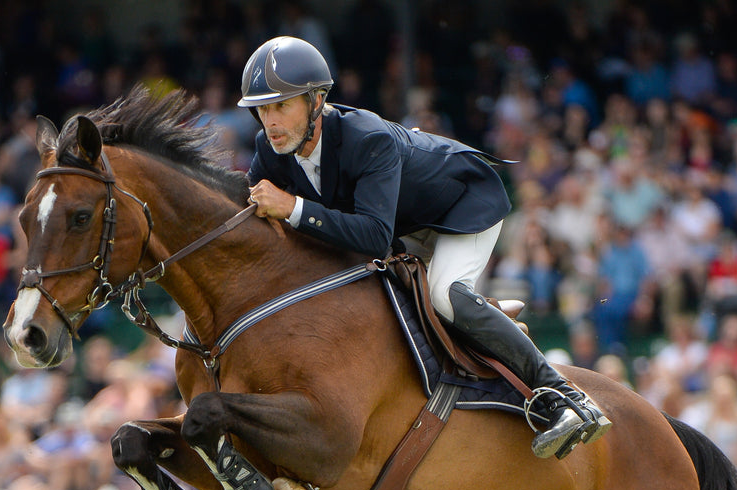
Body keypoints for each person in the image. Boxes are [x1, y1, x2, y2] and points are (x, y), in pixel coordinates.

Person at [240, 35, 610, 459]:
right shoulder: (270, 150)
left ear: (318, 100)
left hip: (460, 207)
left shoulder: (366, 138)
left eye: (281, 106)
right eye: (263, 109)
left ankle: (566, 398)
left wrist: (292, 207)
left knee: (444, 295)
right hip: (405, 225)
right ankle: (486, 319)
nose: (270, 121)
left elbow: (373, 238)